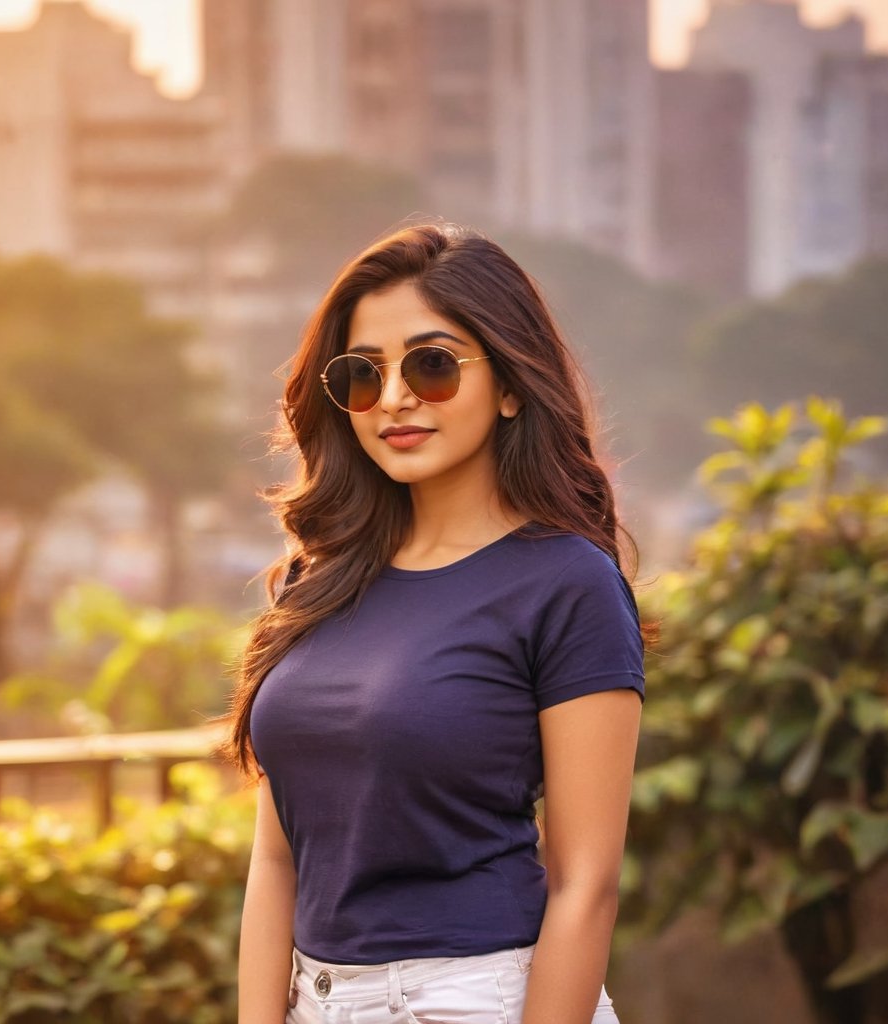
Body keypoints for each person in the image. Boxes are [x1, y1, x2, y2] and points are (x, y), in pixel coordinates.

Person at [228, 223, 645, 1024]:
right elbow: (277, 856)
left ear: (513, 384)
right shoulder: (316, 581)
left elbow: (586, 885)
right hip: (319, 1002)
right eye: (361, 374)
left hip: (478, 1000)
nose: (393, 399)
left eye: (432, 364)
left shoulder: (566, 583)